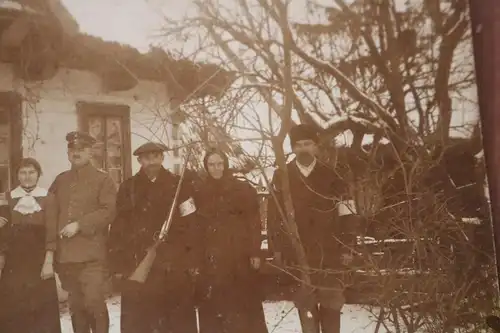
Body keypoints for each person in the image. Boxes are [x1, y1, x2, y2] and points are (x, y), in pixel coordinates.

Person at [267, 124, 358, 333]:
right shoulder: (282, 176)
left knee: (331, 309)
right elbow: (273, 218)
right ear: (292, 148)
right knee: (306, 311)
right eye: (298, 145)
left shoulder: (334, 176)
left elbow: (348, 213)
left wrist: (347, 247)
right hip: (299, 257)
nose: (303, 149)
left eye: (307, 144)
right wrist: (278, 250)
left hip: (330, 255)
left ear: (316, 146)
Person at [108, 142, 201, 333]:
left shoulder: (180, 184)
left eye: (156, 156)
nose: (152, 161)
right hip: (139, 261)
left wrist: (190, 257)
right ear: (139, 160)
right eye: (147, 157)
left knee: (176, 321)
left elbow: (191, 223)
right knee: (140, 322)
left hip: (173, 264)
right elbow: (119, 227)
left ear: (162, 158)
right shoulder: (129, 187)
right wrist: (118, 263)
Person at [49, 131, 117, 333]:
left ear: (90, 152)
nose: (76, 153)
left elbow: (109, 211)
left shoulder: (103, 180)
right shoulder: (60, 180)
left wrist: (79, 224)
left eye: (81, 149)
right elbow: (49, 210)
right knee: (76, 307)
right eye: (72, 149)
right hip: (66, 256)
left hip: (92, 257)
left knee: (94, 303)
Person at [196, 148, 268, 333]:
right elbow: (195, 225)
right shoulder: (199, 190)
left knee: (242, 307)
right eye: (211, 165)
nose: (216, 168)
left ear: (225, 164)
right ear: (206, 166)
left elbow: (253, 222)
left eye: (219, 164)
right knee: (214, 309)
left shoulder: (241, 188)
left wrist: (255, 251)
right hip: (211, 259)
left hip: (238, 256)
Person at [0, 158, 62, 333]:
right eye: (23, 173)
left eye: (31, 172)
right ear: (17, 175)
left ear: (38, 175)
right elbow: (3, 233)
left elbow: (51, 231)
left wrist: (49, 260)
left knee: (41, 307)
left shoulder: (49, 198)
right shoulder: (8, 197)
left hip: (39, 259)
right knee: (13, 305)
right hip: (15, 261)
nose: (27, 177)